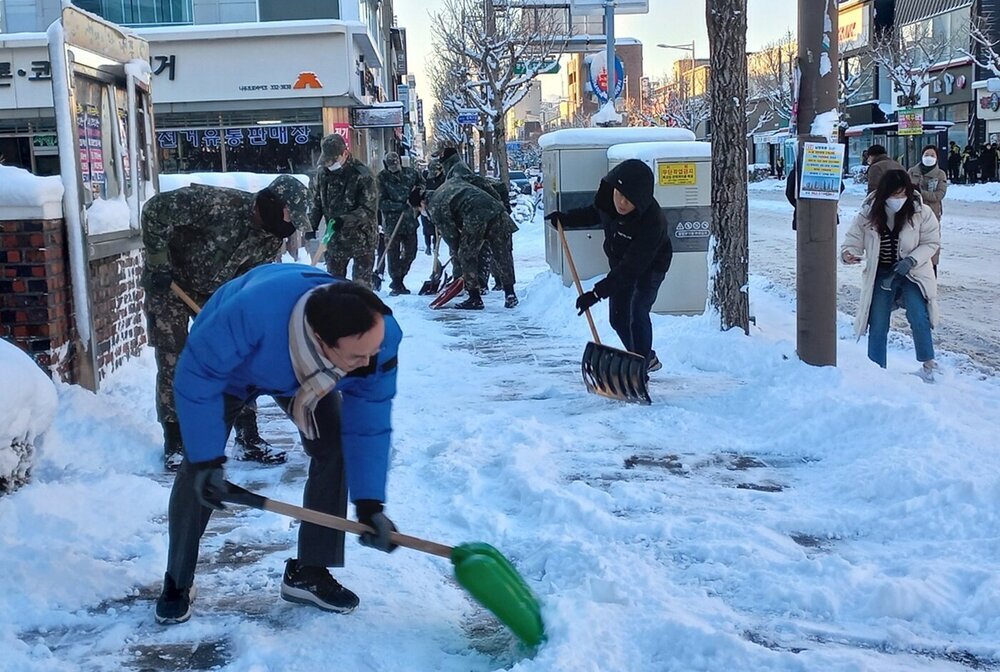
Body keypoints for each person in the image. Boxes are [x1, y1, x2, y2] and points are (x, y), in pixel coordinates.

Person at [154, 263, 403, 625]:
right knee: (197, 468)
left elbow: (369, 424)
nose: (370, 364)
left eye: (373, 352)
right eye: (357, 357)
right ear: (321, 342)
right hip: (232, 370)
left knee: (335, 447)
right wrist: (209, 460)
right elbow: (198, 377)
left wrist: (369, 505)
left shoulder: (377, 341)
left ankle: (310, 572)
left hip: (307, 374)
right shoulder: (247, 316)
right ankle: (177, 580)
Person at [142, 175, 311, 469]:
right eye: (289, 216)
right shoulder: (216, 204)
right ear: (273, 203)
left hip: (217, 291)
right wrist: (158, 262)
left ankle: (248, 437)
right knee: (175, 357)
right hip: (170, 284)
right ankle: (176, 442)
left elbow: (251, 282)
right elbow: (156, 209)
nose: (290, 226)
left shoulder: (270, 238)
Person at [545, 159, 672, 373]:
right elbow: (593, 213)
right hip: (621, 263)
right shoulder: (608, 202)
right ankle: (643, 358)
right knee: (618, 318)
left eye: (629, 199)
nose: (621, 203)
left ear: (640, 200)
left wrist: (595, 294)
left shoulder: (652, 223)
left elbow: (630, 270)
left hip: (649, 266)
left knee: (637, 312)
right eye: (618, 194)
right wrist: (566, 218)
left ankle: (639, 369)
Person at [840, 168, 940, 381]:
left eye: (903, 194)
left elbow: (931, 242)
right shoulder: (868, 212)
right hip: (882, 273)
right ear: (884, 193)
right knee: (878, 321)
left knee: (918, 315)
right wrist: (849, 254)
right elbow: (853, 240)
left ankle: (929, 364)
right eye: (894, 195)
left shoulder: (921, 211)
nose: (898, 199)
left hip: (913, 272)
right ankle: (876, 370)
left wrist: (911, 260)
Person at [422, 173, 519, 310]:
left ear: (422, 203)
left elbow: (452, 237)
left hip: (475, 216)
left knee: (466, 255)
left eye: (419, 210)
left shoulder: (435, 204)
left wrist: (461, 258)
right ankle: (510, 294)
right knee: (502, 253)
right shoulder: (449, 185)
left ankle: (474, 298)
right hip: (496, 210)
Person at [310, 134, 378, 287]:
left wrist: (344, 220)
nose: (330, 164)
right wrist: (311, 225)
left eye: (333, 160)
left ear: (345, 154)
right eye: (327, 161)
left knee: (361, 289)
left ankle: (361, 311)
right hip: (334, 240)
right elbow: (317, 202)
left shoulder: (362, 174)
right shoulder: (323, 174)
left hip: (361, 239)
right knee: (334, 286)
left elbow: (368, 210)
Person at [376, 152, 424, 294]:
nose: (394, 168)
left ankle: (400, 276)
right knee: (393, 254)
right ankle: (396, 281)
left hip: (409, 221)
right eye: (391, 166)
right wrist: (398, 206)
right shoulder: (381, 178)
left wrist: (417, 192)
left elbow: (422, 183)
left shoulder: (411, 173)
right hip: (392, 223)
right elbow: (380, 203)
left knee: (411, 252)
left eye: (396, 165)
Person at [907, 145, 948, 273]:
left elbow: (939, 195)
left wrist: (920, 192)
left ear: (936, 158)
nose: (929, 158)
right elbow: (905, 190)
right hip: (912, 212)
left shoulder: (940, 174)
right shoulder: (912, 172)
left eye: (932, 155)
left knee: (931, 242)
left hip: (932, 214)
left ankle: (932, 270)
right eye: (926, 155)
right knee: (911, 242)